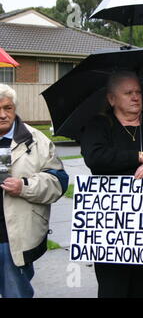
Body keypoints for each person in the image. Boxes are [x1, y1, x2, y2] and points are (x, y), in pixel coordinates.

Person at [80, 71, 143, 298]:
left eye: (138, 92)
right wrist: (138, 156)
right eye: (128, 93)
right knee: (112, 289)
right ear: (111, 99)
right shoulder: (98, 125)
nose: (135, 97)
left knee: (142, 287)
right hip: (110, 226)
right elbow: (95, 158)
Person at [0, 84, 68, 298]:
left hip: (15, 240)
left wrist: (24, 186)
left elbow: (59, 182)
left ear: (15, 108)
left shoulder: (36, 140)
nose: (2, 115)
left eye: (8, 108)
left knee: (16, 293)